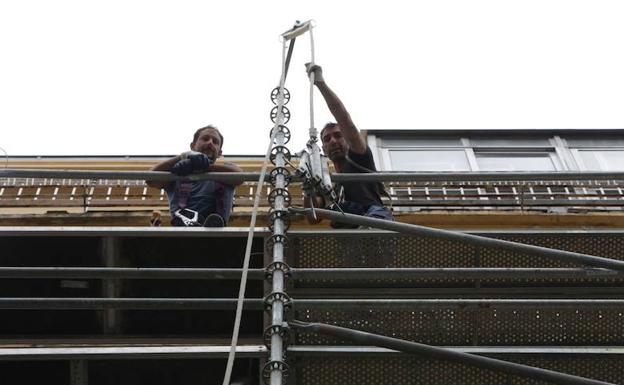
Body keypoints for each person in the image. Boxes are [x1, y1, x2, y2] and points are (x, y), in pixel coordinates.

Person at [305, 64, 394, 227]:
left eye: (338, 135)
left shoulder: (359, 158)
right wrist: (308, 188)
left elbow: (344, 119)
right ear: (324, 149)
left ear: (347, 138)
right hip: (348, 231)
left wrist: (320, 83)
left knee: (369, 226)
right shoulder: (326, 183)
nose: (332, 141)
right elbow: (313, 217)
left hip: (372, 219)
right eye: (327, 139)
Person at [146, 125, 243, 227]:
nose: (210, 142)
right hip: (183, 232)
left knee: (214, 221)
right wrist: (182, 157)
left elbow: (239, 177)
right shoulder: (179, 170)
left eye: (215, 141)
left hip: (215, 232)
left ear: (219, 152)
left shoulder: (226, 171)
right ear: (192, 146)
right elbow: (150, 179)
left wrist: (206, 167)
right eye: (205, 139)